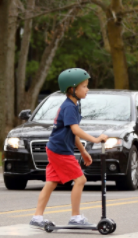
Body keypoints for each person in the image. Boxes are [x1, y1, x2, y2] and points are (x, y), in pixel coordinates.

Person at [30, 68, 108, 229]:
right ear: (73, 89)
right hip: (60, 151)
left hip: (55, 148)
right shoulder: (69, 107)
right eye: (84, 86)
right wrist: (95, 139)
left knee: (51, 182)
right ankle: (75, 217)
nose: (87, 89)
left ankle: (37, 217)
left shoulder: (73, 105)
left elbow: (73, 134)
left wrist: (84, 151)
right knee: (80, 179)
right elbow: (75, 130)